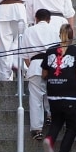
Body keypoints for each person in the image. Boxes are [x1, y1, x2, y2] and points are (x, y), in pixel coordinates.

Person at [41, 23, 76, 152]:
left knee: (57, 120)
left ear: (59, 35)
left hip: (53, 93)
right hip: (69, 93)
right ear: (72, 36)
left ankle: (49, 139)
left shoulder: (50, 51)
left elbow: (44, 74)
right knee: (73, 125)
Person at [17, 8, 61, 141]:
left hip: (35, 64)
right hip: (52, 65)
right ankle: (50, 116)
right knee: (52, 93)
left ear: (36, 19)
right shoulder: (54, 30)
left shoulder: (29, 31)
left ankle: (37, 129)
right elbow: (59, 51)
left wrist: (33, 66)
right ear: (49, 19)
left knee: (36, 99)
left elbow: (24, 56)